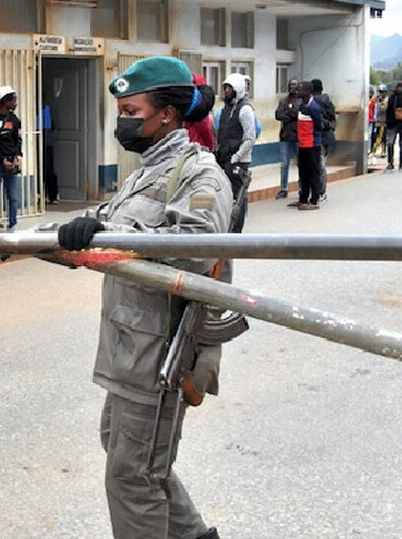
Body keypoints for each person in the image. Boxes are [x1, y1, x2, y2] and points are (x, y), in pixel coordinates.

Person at [53, 57, 228, 539]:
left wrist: (111, 233)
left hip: (161, 349)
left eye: (131, 110)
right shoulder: (145, 171)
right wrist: (52, 236)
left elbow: (195, 249)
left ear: (166, 115)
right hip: (129, 345)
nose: (122, 121)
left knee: (133, 477)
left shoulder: (201, 176)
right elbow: (107, 218)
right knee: (132, 456)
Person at [213, 73, 256, 232]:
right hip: (224, 158)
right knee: (224, 195)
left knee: (239, 198)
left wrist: (236, 157)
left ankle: (236, 231)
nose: (226, 91)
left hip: (238, 161)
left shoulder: (245, 110)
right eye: (225, 88)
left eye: (229, 88)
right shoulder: (225, 108)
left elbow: (250, 138)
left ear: (237, 88)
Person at [0, 85, 23, 230]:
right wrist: (2, 159)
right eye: (13, 100)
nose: (15, 103)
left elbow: (18, 139)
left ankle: (12, 224)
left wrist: (17, 156)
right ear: (5, 101)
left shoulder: (14, 119)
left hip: (12, 162)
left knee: (13, 196)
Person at [289, 80, 325, 211]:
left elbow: (319, 125)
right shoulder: (302, 105)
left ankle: (314, 200)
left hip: (312, 145)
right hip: (302, 144)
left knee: (313, 173)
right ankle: (303, 198)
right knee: (303, 172)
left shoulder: (314, 107)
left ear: (308, 92)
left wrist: (314, 138)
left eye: (300, 90)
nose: (297, 92)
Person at [273, 78, 301, 198]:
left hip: (298, 136)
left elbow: (299, 114)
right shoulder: (284, 100)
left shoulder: (301, 100)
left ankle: (302, 187)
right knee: (284, 164)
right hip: (285, 136)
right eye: (290, 85)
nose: (292, 87)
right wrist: (290, 114)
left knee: (301, 164)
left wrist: (290, 113)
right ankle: (284, 188)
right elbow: (278, 114)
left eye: (294, 85)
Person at [310, 79, 336, 202]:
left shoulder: (312, 103)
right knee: (321, 164)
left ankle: (318, 191)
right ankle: (321, 191)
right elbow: (332, 119)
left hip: (316, 137)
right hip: (327, 137)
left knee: (317, 165)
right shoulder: (329, 102)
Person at [185, 74, 216, 150]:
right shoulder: (200, 107)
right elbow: (205, 129)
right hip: (197, 147)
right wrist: (211, 146)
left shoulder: (186, 101)